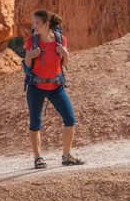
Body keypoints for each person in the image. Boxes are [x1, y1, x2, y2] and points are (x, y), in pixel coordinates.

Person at [24, 10, 85, 169]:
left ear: (46, 24)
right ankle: (38, 157)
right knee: (35, 123)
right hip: (36, 87)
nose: (34, 26)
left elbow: (64, 63)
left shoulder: (60, 39)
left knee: (70, 118)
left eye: (37, 23)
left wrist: (66, 53)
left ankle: (67, 155)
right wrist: (29, 55)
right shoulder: (31, 41)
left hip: (56, 86)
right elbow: (28, 65)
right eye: (33, 23)